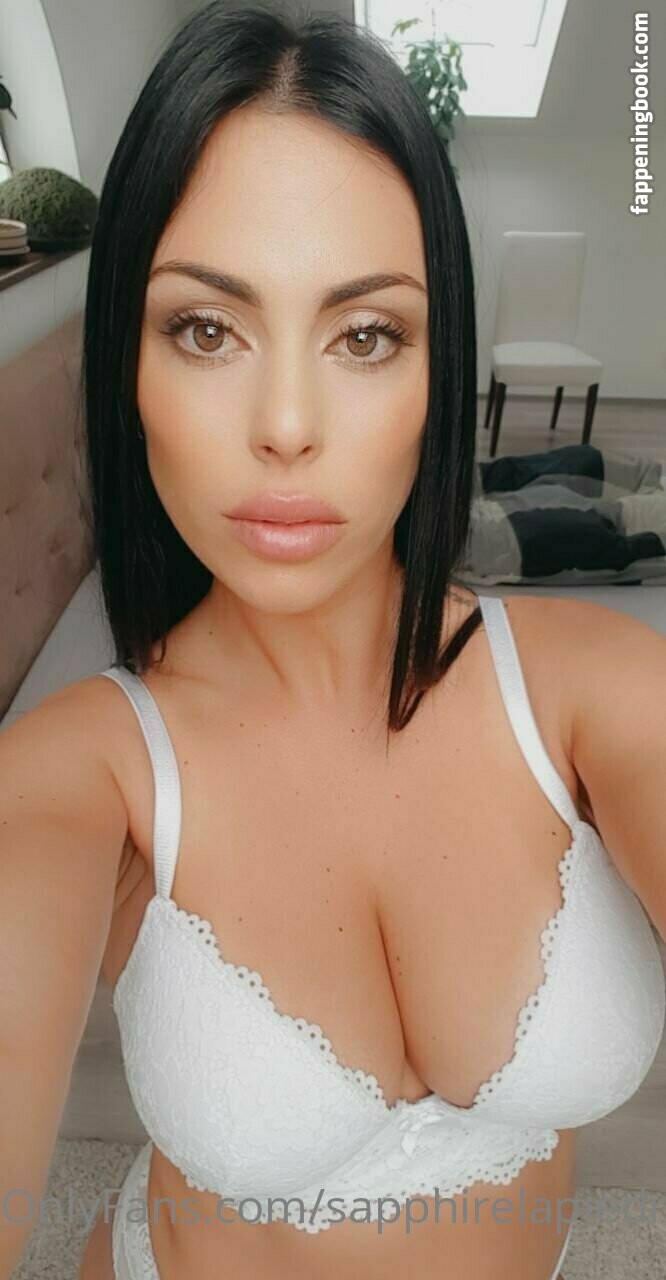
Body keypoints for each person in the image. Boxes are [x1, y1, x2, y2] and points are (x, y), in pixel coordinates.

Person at [1, 4, 664, 1279]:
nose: (288, 424)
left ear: (436, 364)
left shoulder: (598, 691)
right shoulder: (78, 775)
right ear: (127, 362)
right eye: (207, 328)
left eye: (366, 335)